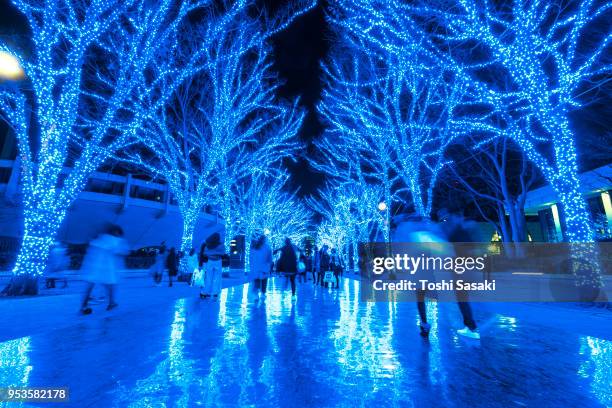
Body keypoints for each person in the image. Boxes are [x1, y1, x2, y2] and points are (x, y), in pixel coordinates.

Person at [392, 214, 447, 337]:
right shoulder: (428, 231)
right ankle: (425, 323)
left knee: (420, 298)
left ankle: (424, 323)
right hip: (430, 271)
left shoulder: (409, 232)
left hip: (419, 271)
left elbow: (400, 249)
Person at [439, 209, 481, 339]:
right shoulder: (463, 232)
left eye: (447, 218)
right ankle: (470, 325)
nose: (446, 221)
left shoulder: (456, 233)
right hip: (466, 269)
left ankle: (471, 326)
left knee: (462, 299)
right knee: (463, 299)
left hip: (460, 270)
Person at [80, 224, 128, 314]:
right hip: (107, 268)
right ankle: (111, 303)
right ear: (116, 232)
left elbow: (90, 247)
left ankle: (83, 306)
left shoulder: (99, 238)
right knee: (110, 285)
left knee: (89, 287)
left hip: (93, 267)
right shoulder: (116, 240)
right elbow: (123, 252)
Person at [199, 233, 225, 299]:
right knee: (217, 278)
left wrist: (211, 254)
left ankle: (205, 292)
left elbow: (204, 253)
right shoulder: (221, 244)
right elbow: (223, 253)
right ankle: (215, 293)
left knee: (208, 277)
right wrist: (217, 253)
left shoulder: (207, 244)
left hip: (210, 261)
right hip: (218, 261)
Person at [249, 234, 272, 302]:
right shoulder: (267, 247)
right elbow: (270, 259)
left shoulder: (254, 246)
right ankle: (263, 293)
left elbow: (251, 257)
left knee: (257, 280)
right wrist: (270, 266)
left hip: (255, 267)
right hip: (264, 267)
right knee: (264, 280)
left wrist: (251, 266)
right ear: (265, 240)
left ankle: (256, 294)